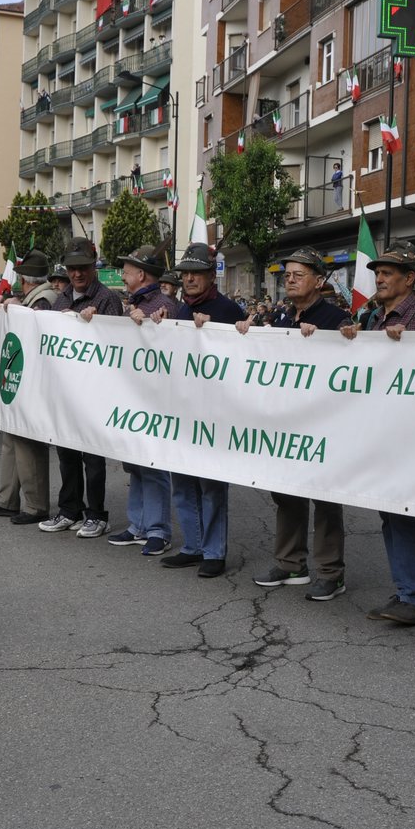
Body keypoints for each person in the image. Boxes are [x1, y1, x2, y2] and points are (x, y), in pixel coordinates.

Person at [239, 248, 352, 602]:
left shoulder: (335, 319)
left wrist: (328, 338)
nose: (289, 279)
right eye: (286, 274)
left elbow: (352, 359)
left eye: (298, 274)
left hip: (324, 424)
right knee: (286, 492)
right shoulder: (284, 319)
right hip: (287, 424)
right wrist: (246, 334)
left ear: (319, 281)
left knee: (325, 497)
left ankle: (331, 573)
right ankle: (291, 564)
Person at [340, 243, 415, 625]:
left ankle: (413, 595)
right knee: (391, 513)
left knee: (402, 512)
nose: (379, 278)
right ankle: (406, 591)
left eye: (388, 273)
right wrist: (350, 337)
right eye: (377, 272)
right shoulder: (371, 317)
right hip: (383, 432)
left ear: (409, 279)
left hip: (414, 432)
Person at [158, 243, 245, 578]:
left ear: (212, 275)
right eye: (185, 273)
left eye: (196, 272)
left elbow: (242, 356)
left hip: (214, 413)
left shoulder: (227, 309)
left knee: (211, 485)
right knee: (181, 480)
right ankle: (192, 546)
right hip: (182, 409)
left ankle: (214, 552)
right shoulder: (178, 310)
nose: (190, 278)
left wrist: (216, 332)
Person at [41, 241, 124, 540]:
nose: (77, 273)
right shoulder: (61, 298)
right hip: (66, 392)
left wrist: (96, 324)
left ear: (94, 266)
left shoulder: (107, 299)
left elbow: (117, 344)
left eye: (83, 268)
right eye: (72, 268)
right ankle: (70, 510)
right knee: (66, 453)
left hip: (95, 392)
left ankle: (97, 514)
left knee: (92, 456)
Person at [105, 245, 179, 557]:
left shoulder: (164, 305)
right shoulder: (134, 303)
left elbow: (171, 341)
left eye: (126, 270)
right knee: (136, 465)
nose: (122, 275)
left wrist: (149, 323)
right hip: (135, 397)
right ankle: (138, 525)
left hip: (156, 400)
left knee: (154, 467)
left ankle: (158, 530)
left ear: (141, 275)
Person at [0, 252, 58, 526]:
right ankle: (6, 499)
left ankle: (35, 505)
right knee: (12, 438)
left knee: (27, 442)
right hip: (27, 377)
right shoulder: (40, 297)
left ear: (24, 280)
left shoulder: (44, 300)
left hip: (33, 381)